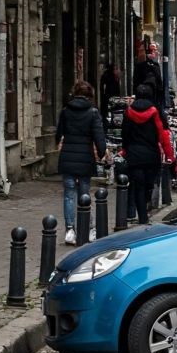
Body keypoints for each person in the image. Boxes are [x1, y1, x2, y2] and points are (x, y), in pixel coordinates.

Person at [55, 79, 107, 244]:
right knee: (84, 194)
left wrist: (60, 145)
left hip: (68, 158)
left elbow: (59, 134)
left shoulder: (66, 111)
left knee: (69, 193)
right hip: (85, 158)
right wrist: (102, 154)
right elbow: (99, 136)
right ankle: (88, 228)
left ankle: (70, 230)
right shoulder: (93, 112)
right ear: (89, 95)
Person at [119, 83, 173, 224]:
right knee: (149, 184)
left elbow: (125, 134)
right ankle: (144, 212)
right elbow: (163, 135)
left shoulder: (128, 112)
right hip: (151, 154)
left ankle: (142, 216)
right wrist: (169, 155)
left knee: (138, 186)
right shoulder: (156, 112)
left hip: (134, 154)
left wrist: (125, 150)